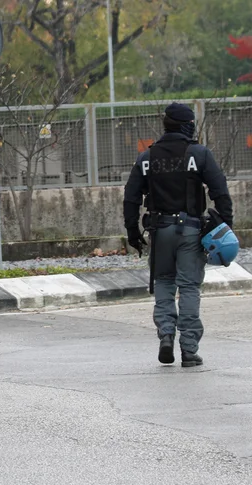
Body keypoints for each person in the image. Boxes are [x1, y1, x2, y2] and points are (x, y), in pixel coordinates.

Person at [123, 102, 234, 367]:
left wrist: (132, 233)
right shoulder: (199, 154)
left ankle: (165, 335)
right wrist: (224, 226)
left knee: (163, 282)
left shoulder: (147, 157)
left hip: (159, 233)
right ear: (188, 125)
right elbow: (220, 191)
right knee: (188, 287)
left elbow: (131, 197)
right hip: (191, 232)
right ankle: (189, 350)